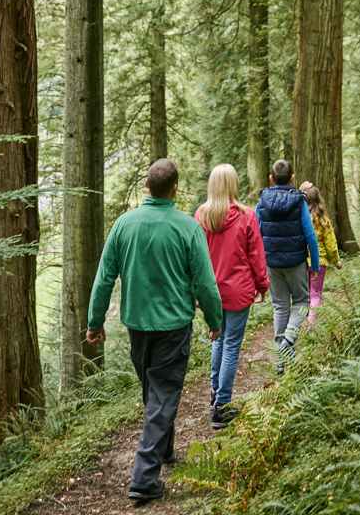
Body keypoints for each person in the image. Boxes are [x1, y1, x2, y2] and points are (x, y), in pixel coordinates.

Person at [86, 159, 222, 502]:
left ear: (147, 186)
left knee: (156, 392)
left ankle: (164, 450)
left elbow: (104, 279)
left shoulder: (123, 225)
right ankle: (144, 479)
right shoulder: (187, 228)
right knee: (161, 395)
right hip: (174, 326)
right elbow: (205, 283)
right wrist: (215, 321)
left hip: (137, 326)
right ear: (174, 188)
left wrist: (95, 322)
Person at [195, 164, 269, 429]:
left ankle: (215, 394)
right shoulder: (247, 216)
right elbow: (256, 256)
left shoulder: (201, 216)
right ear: (234, 184)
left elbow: (196, 258)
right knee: (230, 346)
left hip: (211, 293)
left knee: (219, 340)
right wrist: (263, 285)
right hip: (238, 291)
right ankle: (222, 407)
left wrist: (195, 291)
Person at [255, 160, 320, 374]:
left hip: (272, 263)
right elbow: (310, 235)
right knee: (302, 300)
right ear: (292, 178)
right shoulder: (299, 201)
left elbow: (255, 233)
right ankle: (289, 339)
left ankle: (280, 362)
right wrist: (315, 264)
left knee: (280, 307)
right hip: (296, 262)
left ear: (271, 179)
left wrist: (257, 265)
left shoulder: (262, 201)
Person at [298, 182, 342, 324]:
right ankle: (311, 325)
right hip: (320, 262)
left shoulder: (299, 219)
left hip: (302, 261)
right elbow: (331, 245)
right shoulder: (323, 221)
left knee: (303, 295)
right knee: (315, 295)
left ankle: (299, 323)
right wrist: (336, 261)